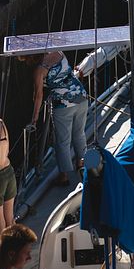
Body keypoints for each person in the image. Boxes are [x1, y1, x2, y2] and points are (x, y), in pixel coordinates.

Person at [22, 52, 88, 187]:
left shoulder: (39, 71)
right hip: (81, 96)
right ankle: (81, 165)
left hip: (63, 105)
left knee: (62, 141)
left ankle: (64, 176)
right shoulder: (59, 53)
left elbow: (38, 96)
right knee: (79, 134)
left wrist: (34, 119)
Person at [0, 122, 16, 229]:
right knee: (9, 219)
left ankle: (2, 245)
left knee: (0, 221)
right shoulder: (2, 124)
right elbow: (7, 150)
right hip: (9, 172)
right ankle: (13, 244)